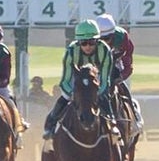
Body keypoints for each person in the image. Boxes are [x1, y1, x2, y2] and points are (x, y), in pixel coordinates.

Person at [41, 19, 115, 147]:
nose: (87, 46)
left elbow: (105, 80)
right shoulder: (71, 52)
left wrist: (96, 93)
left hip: (95, 82)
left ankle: (113, 124)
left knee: (104, 97)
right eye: (83, 43)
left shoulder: (105, 51)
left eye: (91, 42)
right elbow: (65, 81)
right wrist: (74, 94)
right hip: (76, 82)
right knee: (64, 98)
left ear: (97, 41)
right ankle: (50, 125)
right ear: (78, 42)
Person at [95, 13, 141, 139]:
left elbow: (128, 66)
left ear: (114, 35)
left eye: (107, 38)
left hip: (115, 64)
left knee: (123, 88)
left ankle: (135, 120)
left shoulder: (123, 38)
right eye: (101, 40)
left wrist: (118, 79)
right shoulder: (89, 40)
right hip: (95, 66)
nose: (104, 43)